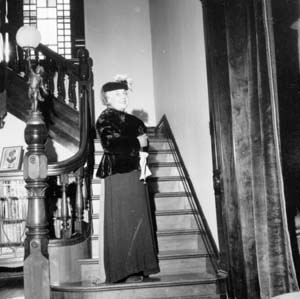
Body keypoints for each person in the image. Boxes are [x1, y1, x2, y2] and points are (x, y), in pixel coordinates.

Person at [95, 76, 160, 283]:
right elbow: (110, 145)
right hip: (118, 175)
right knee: (123, 222)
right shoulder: (105, 119)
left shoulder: (134, 121)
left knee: (138, 219)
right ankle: (124, 271)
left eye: (124, 94)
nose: (122, 97)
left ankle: (141, 267)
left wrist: (140, 144)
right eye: (117, 94)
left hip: (136, 173)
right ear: (107, 99)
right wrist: (136, 142)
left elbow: (145, 145)